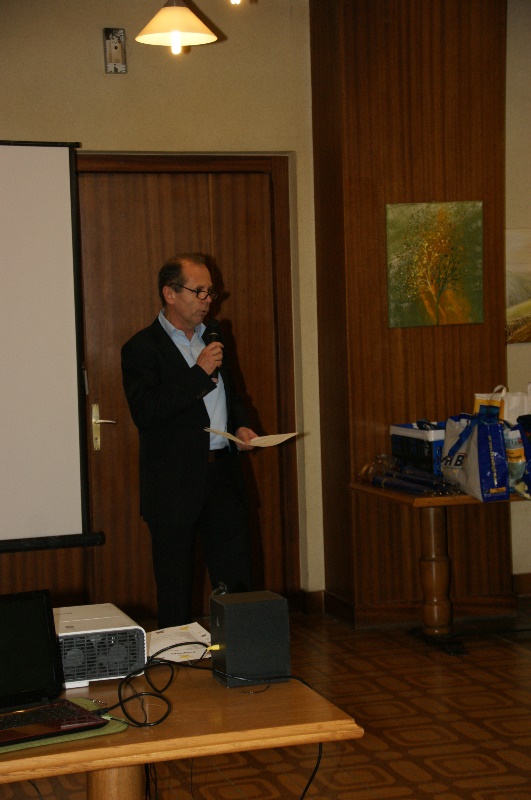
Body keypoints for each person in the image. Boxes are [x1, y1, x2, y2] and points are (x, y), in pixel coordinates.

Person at [121, 253, 258, 628]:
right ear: (170, 293)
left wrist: (242, 427)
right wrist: (198, 373)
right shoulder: (141, 348)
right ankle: (175, 659)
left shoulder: (214, 338)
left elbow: (234, 397)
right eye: (199, 291)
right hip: (172, 484)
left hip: (223, 476)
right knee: (176, 588)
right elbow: (147, 412)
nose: (207, 300)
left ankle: (242, 657)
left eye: (211, 292)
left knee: (238, 584)